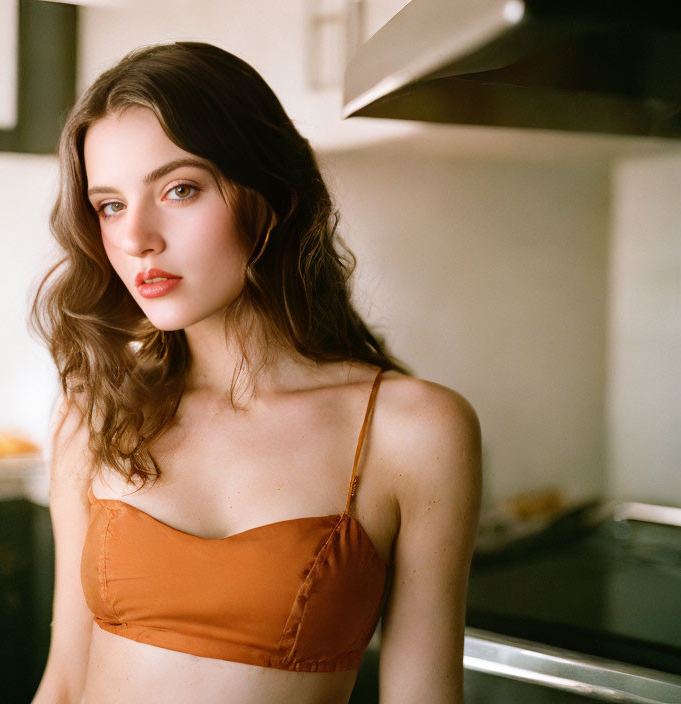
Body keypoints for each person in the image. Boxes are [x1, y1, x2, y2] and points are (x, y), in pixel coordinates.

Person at [29, 41, 481, 704]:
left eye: (179, 189)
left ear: (272, 197)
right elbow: (64, 682)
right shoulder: (95, 413)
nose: (136, 239)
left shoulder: (414, 431)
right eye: (111, 206)